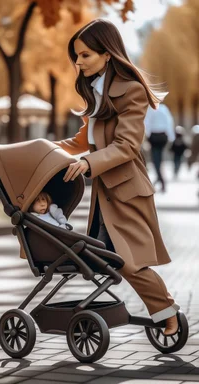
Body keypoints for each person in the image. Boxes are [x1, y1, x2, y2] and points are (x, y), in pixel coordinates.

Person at [54, 19, 180, 335]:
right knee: (104, 258)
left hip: (126, 190)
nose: (79, 62)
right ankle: (155, 311)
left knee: (129, 260)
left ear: (107, 54)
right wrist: (42, 149)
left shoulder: (130, 91)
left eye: (85, 55)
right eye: (77, 56)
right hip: (106, 193)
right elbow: (83, 140)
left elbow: (126, 146)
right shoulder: (99, 92)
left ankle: (167, 310)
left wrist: (87, 163)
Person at [145, 104, 175, 192]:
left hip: (154, 136)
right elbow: (169, 121)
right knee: (159, 159)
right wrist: (170, 136)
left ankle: (160, 179)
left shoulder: (151, 109)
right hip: (163, 136)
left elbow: (147, 122)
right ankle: (160, 179)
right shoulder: (164, 109)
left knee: (156, 159)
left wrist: (147, 135)